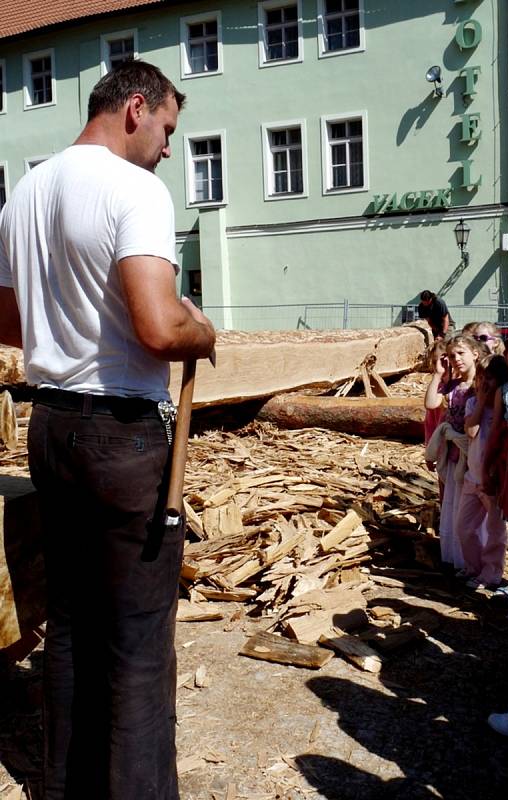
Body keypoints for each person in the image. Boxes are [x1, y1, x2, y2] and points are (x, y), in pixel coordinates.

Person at [0, 61, 216, 800]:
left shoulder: (26, 192)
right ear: (135, 107)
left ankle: (69, 788)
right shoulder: (134, 191)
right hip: (121, 434)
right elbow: (159, 327)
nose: (167, 148)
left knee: (69, 625)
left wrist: (75, 324)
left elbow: (6, 320)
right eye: (166, 129)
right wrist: (201, 328)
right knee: (137, 640)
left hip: (52, 425)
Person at [424, 334, 482, 569]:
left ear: (475, 354)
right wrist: (438, 373)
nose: (456, 359)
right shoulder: (453, 386)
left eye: (461, 353)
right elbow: (430, 403)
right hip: (455, 455)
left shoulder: (481, 385)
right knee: (453, 507)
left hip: (473, 455)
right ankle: (456, 558)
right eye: (452, 355)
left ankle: (473, 561)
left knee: (469, 513)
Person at [455, 354, 508, 589]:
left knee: (495, 531)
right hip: (473, 476)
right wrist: (480, 401)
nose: (485, 382)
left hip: (495, 481)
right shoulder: (472, 404)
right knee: (464, 527)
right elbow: (471, 431)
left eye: (490, 378)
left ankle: (491, 573)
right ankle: (474, 566)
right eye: (481, 378)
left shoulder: (506, 407)